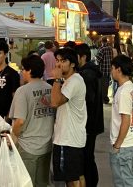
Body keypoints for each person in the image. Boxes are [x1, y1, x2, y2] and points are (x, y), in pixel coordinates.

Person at [9, 55, 55, 187]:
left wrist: (13, 138)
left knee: (26, 183)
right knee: (42, 183)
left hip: (27, 146)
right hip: (46, 144)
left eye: (23, 69)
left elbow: (20, 121)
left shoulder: (23, 91)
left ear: (29, 71)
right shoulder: (50, 89)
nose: (22, 72)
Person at [51, 48, 87, 186]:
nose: (59, 64)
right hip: (72, 137)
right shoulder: (71, 80)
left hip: (68, 139)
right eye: (57, 61)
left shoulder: (73, 81)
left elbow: (55, 102)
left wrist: (57, 79)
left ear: (73, 63)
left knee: (72, 179)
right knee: (77, 175)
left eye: (63, 61)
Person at [75, 43, 104, 187]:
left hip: (88, 123)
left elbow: (88, 100)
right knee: (88, 156)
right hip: (93, 122)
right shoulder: (91, 71)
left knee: (86, 157)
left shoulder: (86, 74)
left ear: (83, 57)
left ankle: (91, 182)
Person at [110, 55, 133, 187]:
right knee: (130, 179)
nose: (111, 71)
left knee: (123, 181)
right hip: (132, 141)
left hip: (124, 145)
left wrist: (117, 145)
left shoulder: (123, 92)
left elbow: (125, 120)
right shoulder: (131, 87)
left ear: (119, 69)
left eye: (112, 68)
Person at [96, 37, 113, 104]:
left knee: (102, 86)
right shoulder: (110, 49)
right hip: (108, 70)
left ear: (101, 41)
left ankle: (104, 99)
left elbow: (98, 60)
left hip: (102, 70)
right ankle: (105, 98)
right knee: (106, 86)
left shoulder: (102, 49)